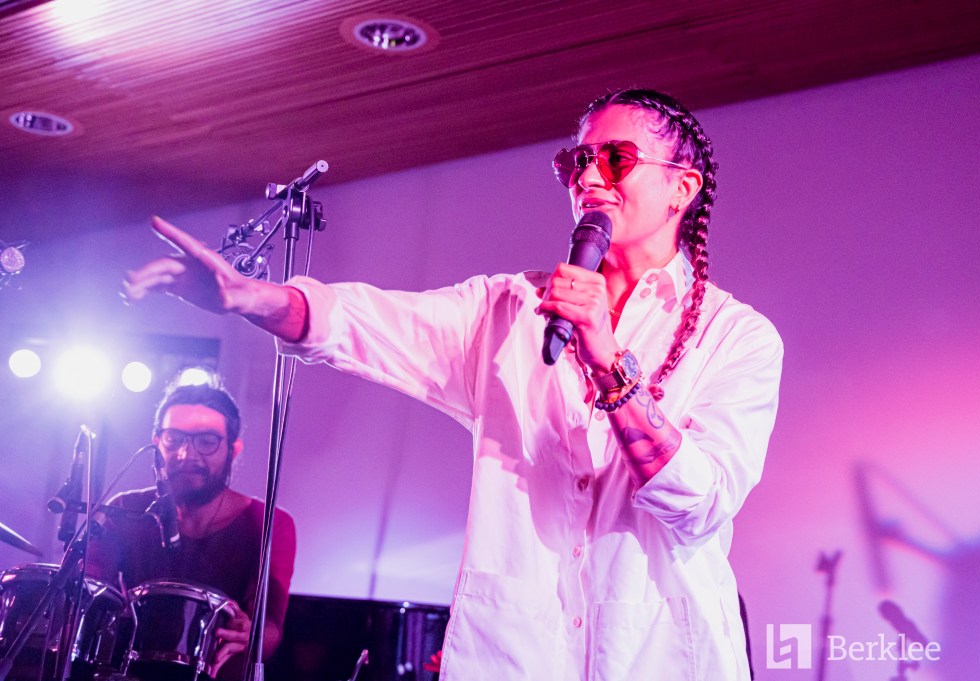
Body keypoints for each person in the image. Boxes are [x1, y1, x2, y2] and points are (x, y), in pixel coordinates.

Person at [123, 88, 782, 680]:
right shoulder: (508, 309)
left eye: (615, 158)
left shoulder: (738, 337)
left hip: (661, 657)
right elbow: (365, 322)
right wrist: (251, 297)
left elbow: (700, 503)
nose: (587, 177)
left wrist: (608, 357)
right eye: (575, 160)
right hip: (518, 657)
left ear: (681, 188)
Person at [86, 381, 297, 680]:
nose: (187, 454)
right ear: (157, 442)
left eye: (207, 441)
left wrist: (252, 633)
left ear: (234, 450)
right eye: (174, 438)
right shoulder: (123, 508)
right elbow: (89, 591)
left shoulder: (269, 522)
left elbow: (271, 629)